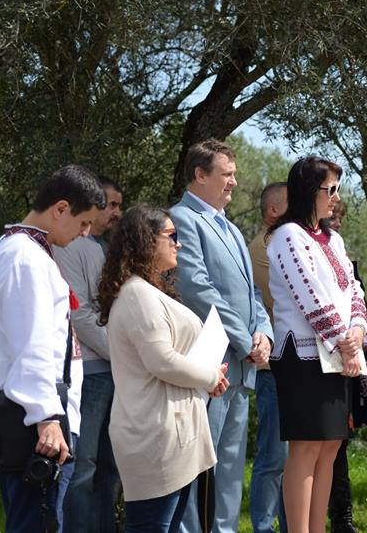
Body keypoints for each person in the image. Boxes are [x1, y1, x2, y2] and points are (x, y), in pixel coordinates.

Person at [0, 164, 106, 532]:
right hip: (36, 423)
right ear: (61, 208)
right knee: (39, 523)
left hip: (27, 413)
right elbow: (31, 343)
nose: (85, 233)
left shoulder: (13, 248)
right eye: (84, 222)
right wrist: (45, 416)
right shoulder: (25, 257)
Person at [98, 205, 230, 532]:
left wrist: (207, 377)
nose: (178, 243)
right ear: (146, 239)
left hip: (172, 430)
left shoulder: (147, 291)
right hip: (154, 433)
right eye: (172, 235)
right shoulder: (137, 295)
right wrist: (210, 376)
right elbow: (162, 361)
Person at [170, 139, 274, 533]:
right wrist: (247, 342)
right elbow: (197, 287)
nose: (234, 182)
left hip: (240, 364)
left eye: (234, 174)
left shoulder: (230, 227)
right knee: (199, 461)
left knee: (229, 464)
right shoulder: (182, 218)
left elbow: (251, 294)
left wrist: (263, 334)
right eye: (226, 174)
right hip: (209, 361)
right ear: (200, 174)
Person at [266, 156, 367, 533]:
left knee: (330, 446)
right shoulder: (287, 236)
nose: (336, 198)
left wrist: (357, 330)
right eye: (331, 189)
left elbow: (354, 289)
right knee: (307, 446)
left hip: (339, 355)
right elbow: (309, 296)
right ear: (310, 190)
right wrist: (346, 342)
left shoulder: (334, 239)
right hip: (303, 356)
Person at [55, 176, 123, 533]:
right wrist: (120, 354)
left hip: (114, 372)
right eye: (110, 205)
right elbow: (79, 314)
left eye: (118, 206)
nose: (116, 213)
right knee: (84, 466)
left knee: (110, 467)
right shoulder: (70, 247)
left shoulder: (103, 247)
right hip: (92, 372)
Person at [325, 200, 367, 533]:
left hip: (350, 367)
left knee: (340, 444)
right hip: (322, 363)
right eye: (332, 217)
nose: (337, 223)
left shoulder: (349, 266)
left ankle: (342, 519)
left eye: (340, 219)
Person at [248, 181, 289, 533]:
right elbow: (285, 298)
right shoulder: (263, 248)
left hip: (294, 367)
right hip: (275, 368)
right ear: (273, 210)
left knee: (294, 459)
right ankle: (263, 527)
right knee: (274, 458)